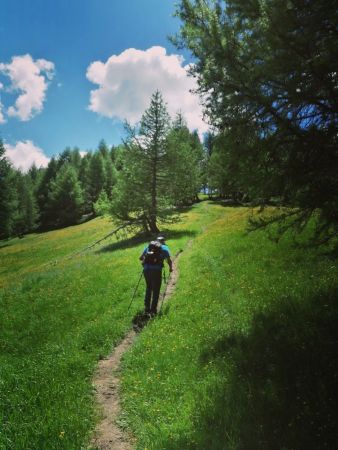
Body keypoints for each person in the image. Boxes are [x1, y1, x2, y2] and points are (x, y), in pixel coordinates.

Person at [139, 236, 173, 316]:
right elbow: (169, 260)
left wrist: (147, 261)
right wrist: (171, 268)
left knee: (149, 288)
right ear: (163, 242)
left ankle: (147, 308)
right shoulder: (164, 248)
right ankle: (153, 310)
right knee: (156, 290)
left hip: (146, 270)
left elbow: (140, 258)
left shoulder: (149, 247)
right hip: (156, 271)